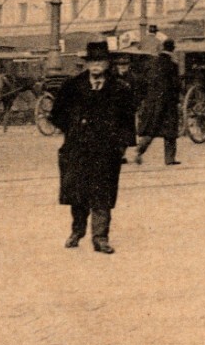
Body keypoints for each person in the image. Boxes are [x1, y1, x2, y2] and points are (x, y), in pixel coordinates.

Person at [47, 42, 138, 254]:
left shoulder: (120, 89)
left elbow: (127, 121)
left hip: (107, 150)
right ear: (86, 64)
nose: (96, 65)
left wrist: (124, 146)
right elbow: (56, 114)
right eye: (92, 61)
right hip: (77, 148)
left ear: (107, 64)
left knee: (103, 194)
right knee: (78, 193)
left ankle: (100, 238)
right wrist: (73, 128)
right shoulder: (72, 86)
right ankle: (77, 231)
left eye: (100, 61)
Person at [135, 41, 182, 165]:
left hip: (153, 101)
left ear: (162, 48)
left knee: (151, 129)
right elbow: (176, 84)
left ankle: (140, 150)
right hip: (168, 102)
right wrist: (177, 99)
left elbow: (144, 82)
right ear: (172, 50)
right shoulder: (173, 65)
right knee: (170, 132)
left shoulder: (152, 63)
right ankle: (170, 159)